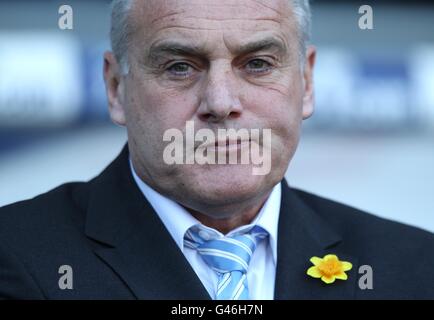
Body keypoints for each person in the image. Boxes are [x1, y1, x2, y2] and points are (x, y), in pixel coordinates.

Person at [0, 0, 433, 300]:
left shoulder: (413, 267)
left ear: (307, 83)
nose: (221, 102)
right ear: (116, 88)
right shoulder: (17, 257)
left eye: (258, 64)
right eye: (180, 67)